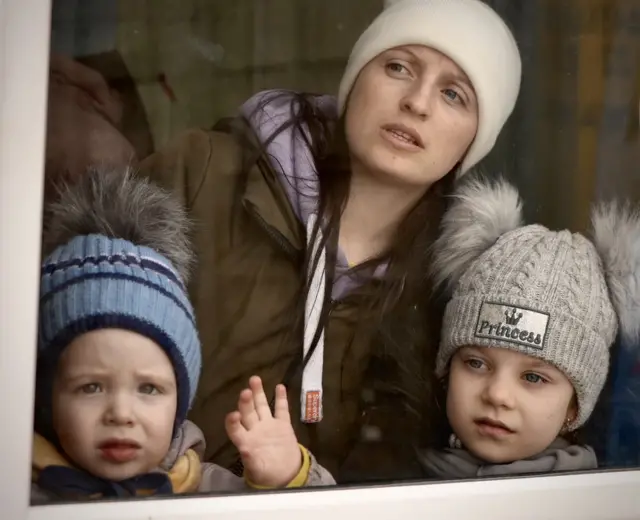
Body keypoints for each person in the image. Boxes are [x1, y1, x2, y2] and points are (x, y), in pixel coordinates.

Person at [138, 0, 522, 481]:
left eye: (454, 95)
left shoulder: (454, 289)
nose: (417, 103)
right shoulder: (201, 175)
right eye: (398, 67)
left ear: (475, 141)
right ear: (357, 77)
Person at [32, 169, 334, 503]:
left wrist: (290, 477)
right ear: (47, 396)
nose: (120, 413)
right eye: (91, 387)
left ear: (180, 402)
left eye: (149, 388)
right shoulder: (20, 491)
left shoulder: (207, 491)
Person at [418, 176, 640, 478]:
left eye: (534, 377)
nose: (497, 395)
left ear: (574, 408)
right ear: (446, 372)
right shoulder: (394, 481)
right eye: (475, 363)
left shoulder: (589, 503)